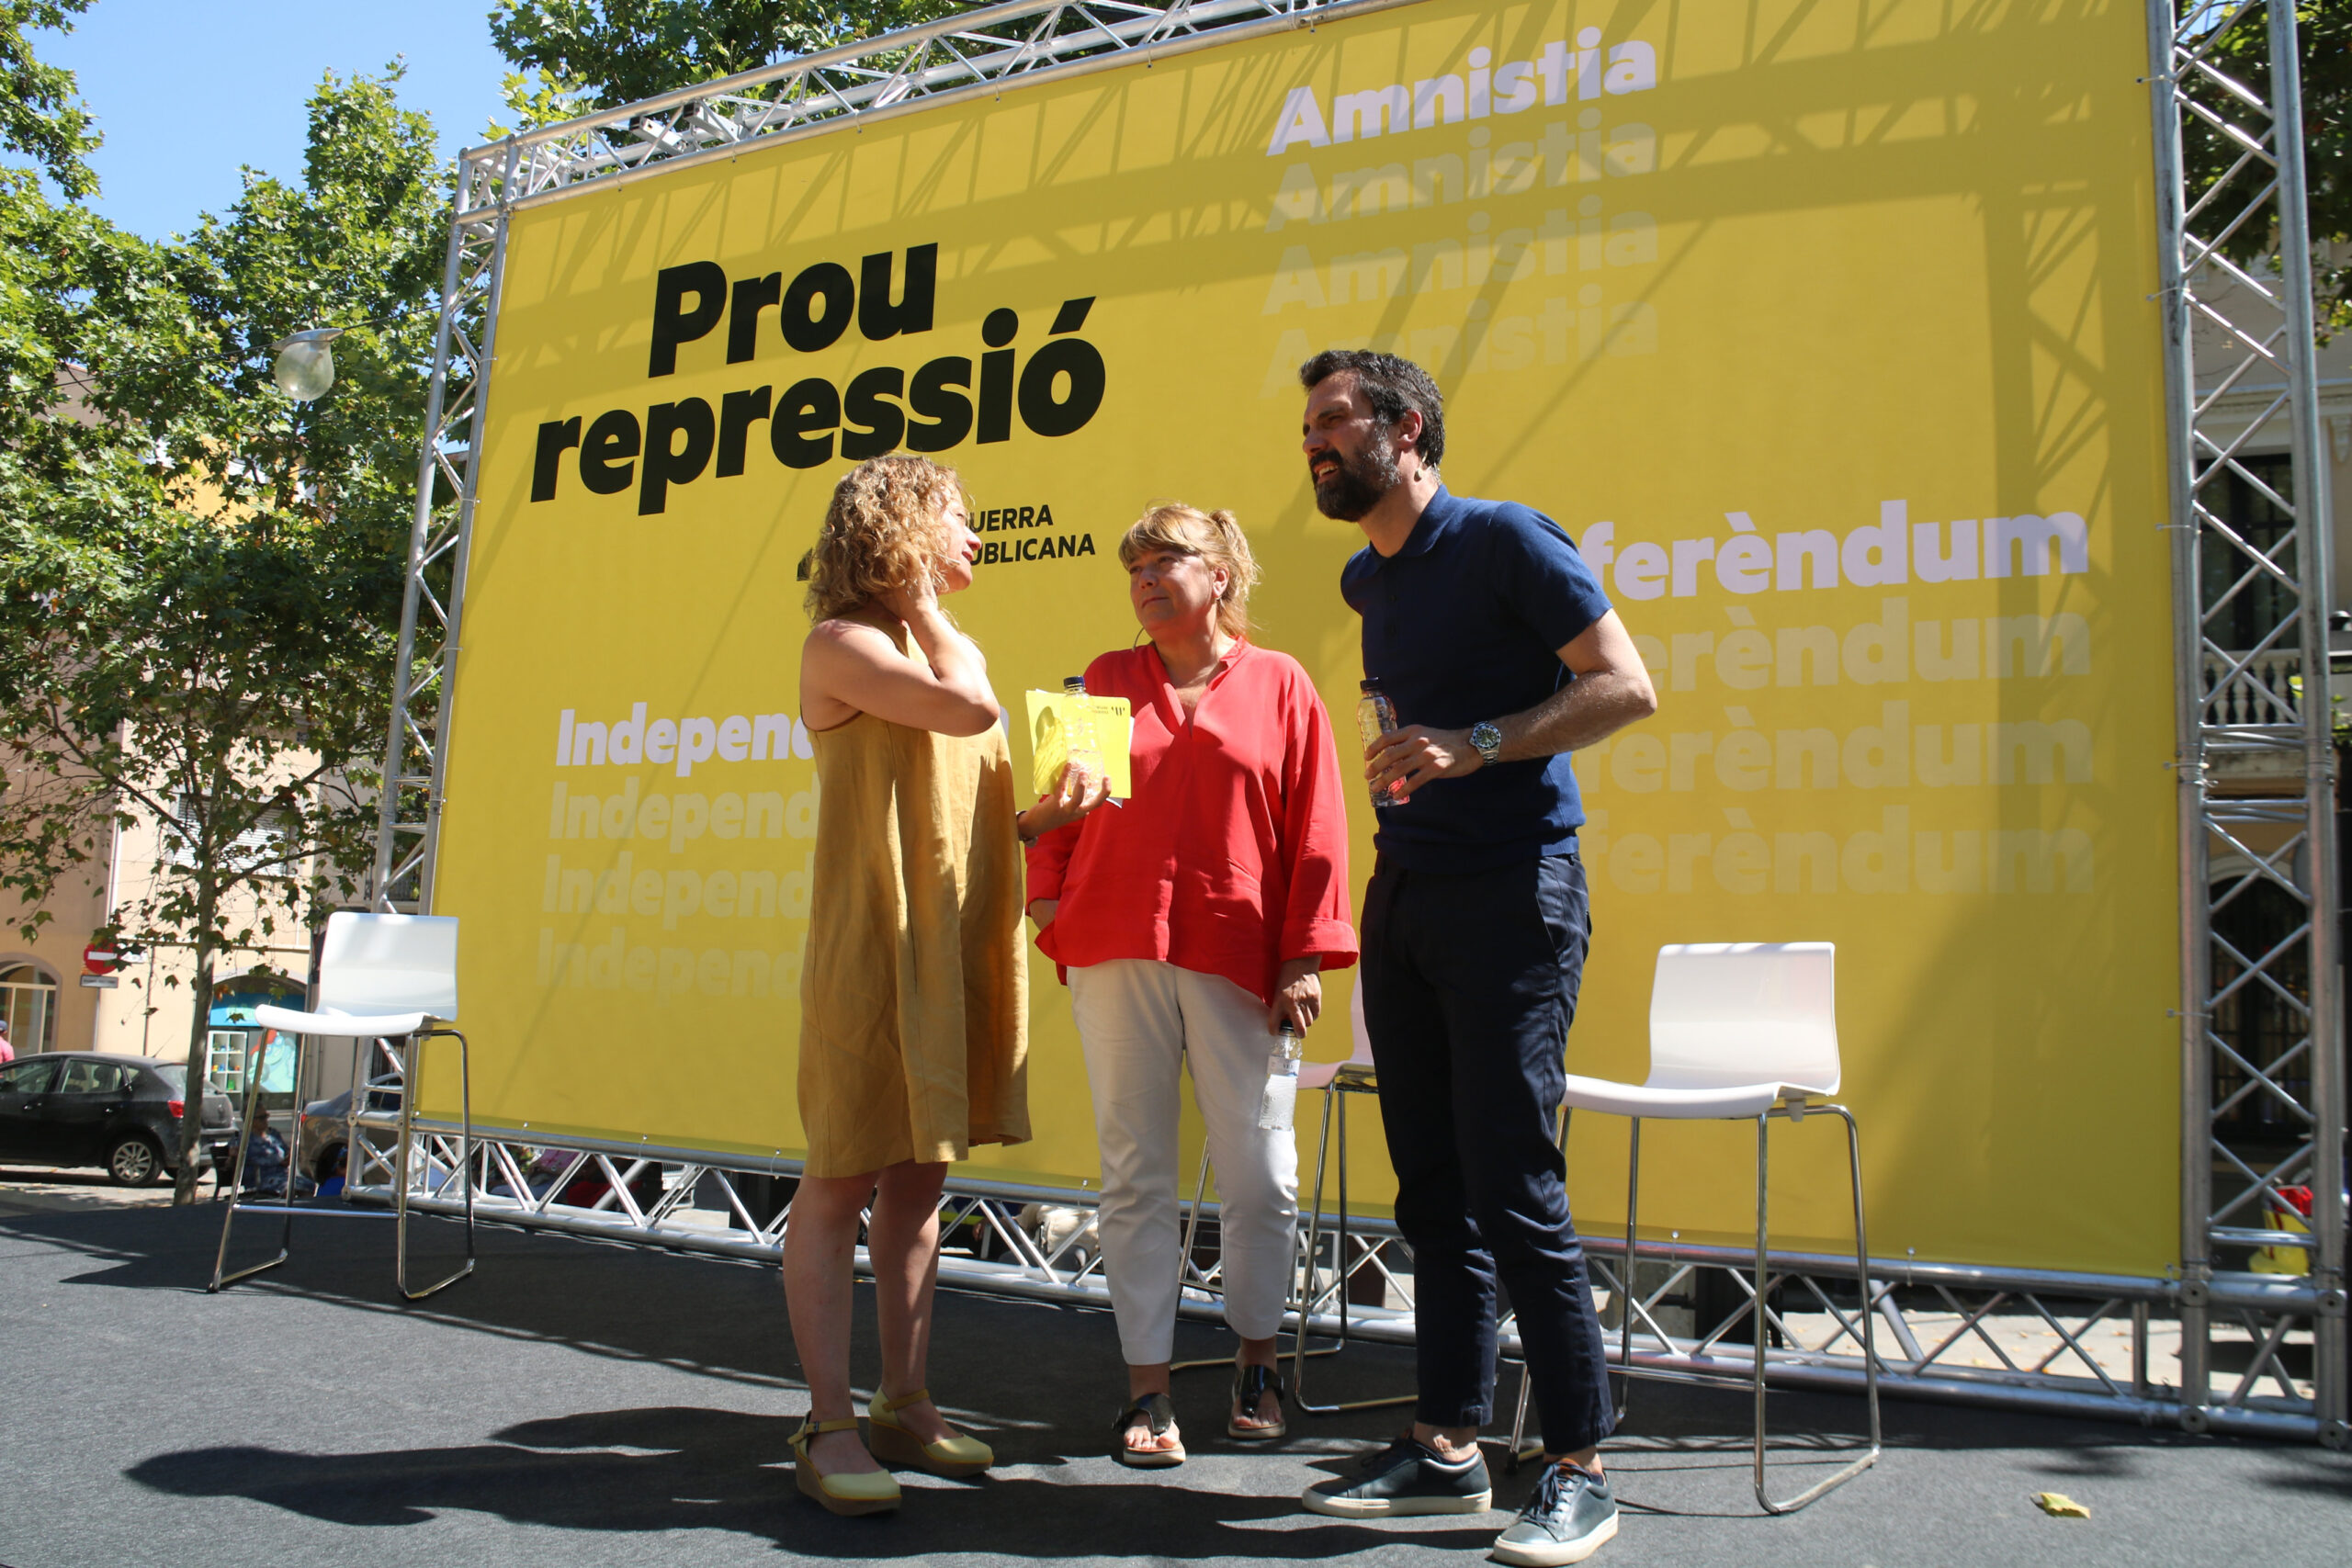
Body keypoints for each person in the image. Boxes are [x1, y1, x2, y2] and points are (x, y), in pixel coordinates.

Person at [1292, 352, 1658, 1567]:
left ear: (1407, 430)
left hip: (1515, 891)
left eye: (1336, 420)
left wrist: (1478, 742)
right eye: (1308, 429)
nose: (1315, 442)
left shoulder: (1505, 538)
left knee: (1514, 1184)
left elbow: (1626, 685)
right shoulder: (1364, 576)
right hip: (1408, 893)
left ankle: (1579, 1468)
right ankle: (1447, 1440)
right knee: (1431, 1187)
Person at [1023, 503, 1357, 1467]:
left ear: (1222, 574)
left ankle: (1257, 1364)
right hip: (1113, 944)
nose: (1144, 578)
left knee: (1261, 1174)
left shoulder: (1283, 684)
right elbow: (1057, 809)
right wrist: (1047, 900)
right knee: (1135, 1174)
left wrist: (1304, 955)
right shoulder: (1101, 679)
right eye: (1134, 566)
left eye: (1166, 559)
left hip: (1238, 952)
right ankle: (1148, 1390)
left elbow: (1318, 829)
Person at [787, 453, 1088, 1516]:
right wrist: (918, 601)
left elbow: (961, 809)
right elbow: (966, 712)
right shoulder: (844, 642)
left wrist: (1044, 821)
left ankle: (903, 1403)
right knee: (840, 1180)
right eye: (955, 519)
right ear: (901, 532)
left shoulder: (938, 647)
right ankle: (828, 1424)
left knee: (920, 1180)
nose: (975, 537)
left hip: (949, 943)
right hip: (873, 948)